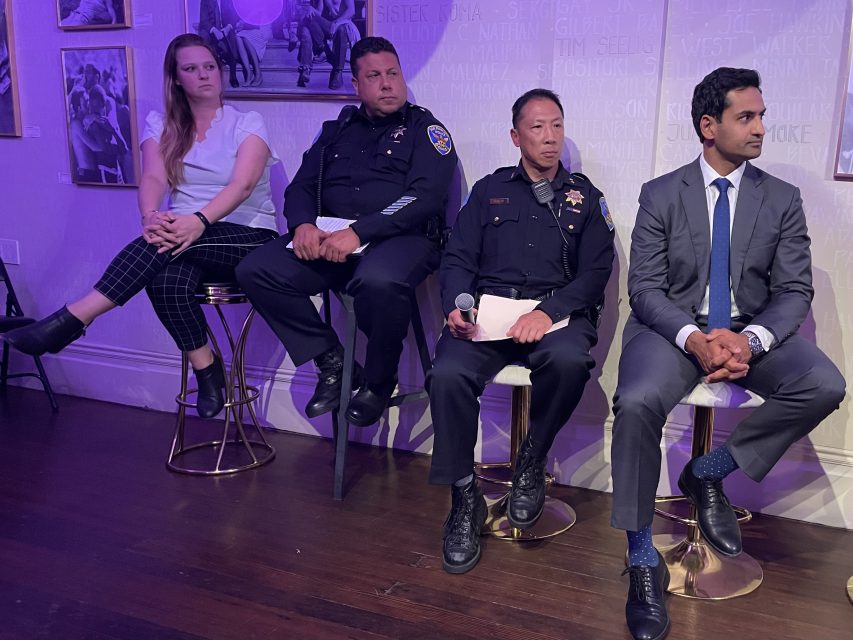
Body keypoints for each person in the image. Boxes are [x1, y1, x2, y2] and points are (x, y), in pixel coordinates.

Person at [610, 67, 846, 640]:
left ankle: (709, 470)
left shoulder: (782, 199)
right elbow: (645, 289)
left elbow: (793, 291)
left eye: (762, 115)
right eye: (748, 116)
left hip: (750, 333)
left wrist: (751, 339)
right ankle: (642, 559)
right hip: (673, 332)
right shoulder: (661, 193)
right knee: (638, 401)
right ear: (708, 126)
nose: (761, 127)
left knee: (824, 384)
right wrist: (695, 338)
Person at [4, 33, 280, 419]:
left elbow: (243, 184)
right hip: (181, 238)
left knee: (169, 246)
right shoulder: (162, 124)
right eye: (191, 68)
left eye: (209, 66)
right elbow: (152, 178)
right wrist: (150, 216)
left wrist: (198, 221)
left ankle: (73, 318)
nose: (203, 75)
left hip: (247, 235)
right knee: (164, 281)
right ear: (176, 78)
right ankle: (209, 370)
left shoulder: (247, 122)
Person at [427, 89, 615, 574]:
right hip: (489, 313)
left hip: (555, 317)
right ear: (516, 136)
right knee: (447, 372)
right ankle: (464, 496)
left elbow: (596, 273)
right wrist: (457, 307)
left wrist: (549, 312)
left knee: (572, 361)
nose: (550, 137)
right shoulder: (489, 191)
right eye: (537, 127)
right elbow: (458, 259)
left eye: (557, 125)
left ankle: (531, 459)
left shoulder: (584, 199)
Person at [237, 36, 456, 428]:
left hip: (403, 238)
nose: (388, 84)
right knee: (256, 268)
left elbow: (424, 198)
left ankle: (378, 382)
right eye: (374, 76)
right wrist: (302, 224)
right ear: (356, 85)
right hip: (332, 237)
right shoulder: (336, 130)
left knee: (378, 280)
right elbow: (302, 186)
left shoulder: (427, 130)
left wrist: (360, 232)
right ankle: (333, 362)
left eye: (393, 74)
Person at [295, 0, 358, 89]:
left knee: (341, 30)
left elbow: (351, 11)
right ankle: (323, 50)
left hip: (344, 23)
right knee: (310, 18)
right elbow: (319, 13)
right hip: (328, 25)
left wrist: (336, 23)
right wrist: (311, 9)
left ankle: (338, 72)